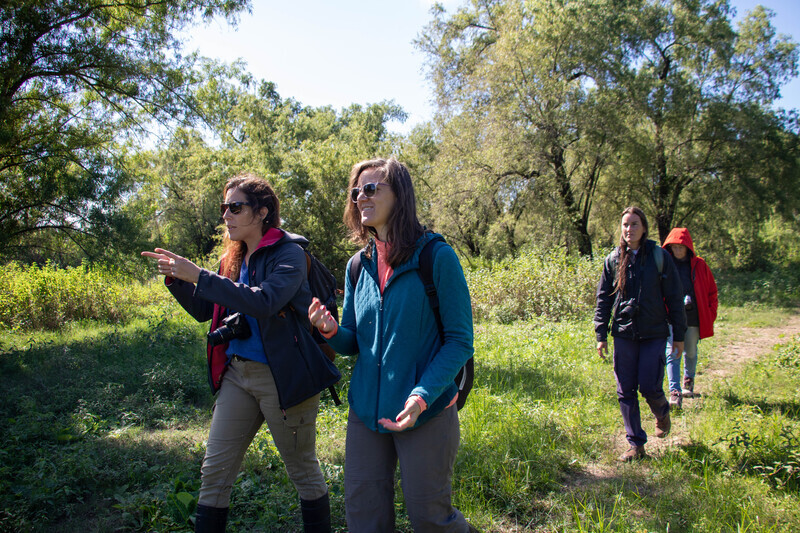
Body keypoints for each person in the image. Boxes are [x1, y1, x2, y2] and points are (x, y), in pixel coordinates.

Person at [142, 173, 340, 533]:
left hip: (284, 379)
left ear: (262, 211)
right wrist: (178, 278)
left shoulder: (290, 254)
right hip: (238, 375)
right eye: (224, 207)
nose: (226, 215)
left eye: (235, 207)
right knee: (214, 472)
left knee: (302, 471)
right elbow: (205, 309)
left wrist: (200, 276)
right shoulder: (231, 259)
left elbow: (265, 301)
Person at [308, 158, 476, 532]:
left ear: (399, 195)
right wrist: (330, 330)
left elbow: (460, 341)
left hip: (425, 410)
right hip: (366, 412)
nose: (360, 197)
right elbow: (353, 340)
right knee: (364, 518)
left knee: (431, 519)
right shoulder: (358, 265)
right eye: (356, 191)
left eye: (371, 188)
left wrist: (421, 397)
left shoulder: (436, 257)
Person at [594, 206, 687, 462]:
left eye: (634, 224)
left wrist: (678, 335)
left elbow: (675, 297)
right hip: (624, 333)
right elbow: (603, 299)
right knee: (625, 390)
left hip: (654, 333)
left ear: (644, 227)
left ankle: (662, 412)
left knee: (649, 386)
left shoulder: (659, 256)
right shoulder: (613, 259)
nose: (629, 229)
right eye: (625, 224)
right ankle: (636, 444)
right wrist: (601, 334)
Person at [662, 228, 718, 407]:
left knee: (691, 350)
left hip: (693, 315)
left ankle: (688, 380)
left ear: (688, 247)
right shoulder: (664, 264)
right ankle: (674, 391)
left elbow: (712, 291)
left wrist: (710, 313)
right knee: (672, 352)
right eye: (674, 247)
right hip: (671, 315)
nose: (677, 250)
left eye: (681, 247)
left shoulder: (700, 265)